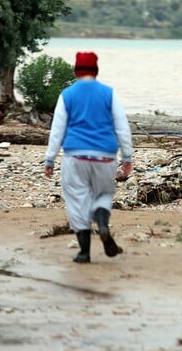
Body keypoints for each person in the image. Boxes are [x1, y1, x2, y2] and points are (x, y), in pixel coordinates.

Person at [44, 51, 133, 263]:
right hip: (105, 157)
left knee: (77, 200)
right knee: (103, 193)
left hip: (75, 156)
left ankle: (84, 253)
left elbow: (57, 130)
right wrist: (127, 157)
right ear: (96, 71)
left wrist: (50, 159)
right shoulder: (109, 94)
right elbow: (122, 128)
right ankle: (102, 224)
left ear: (76, 71)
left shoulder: (67, 95)